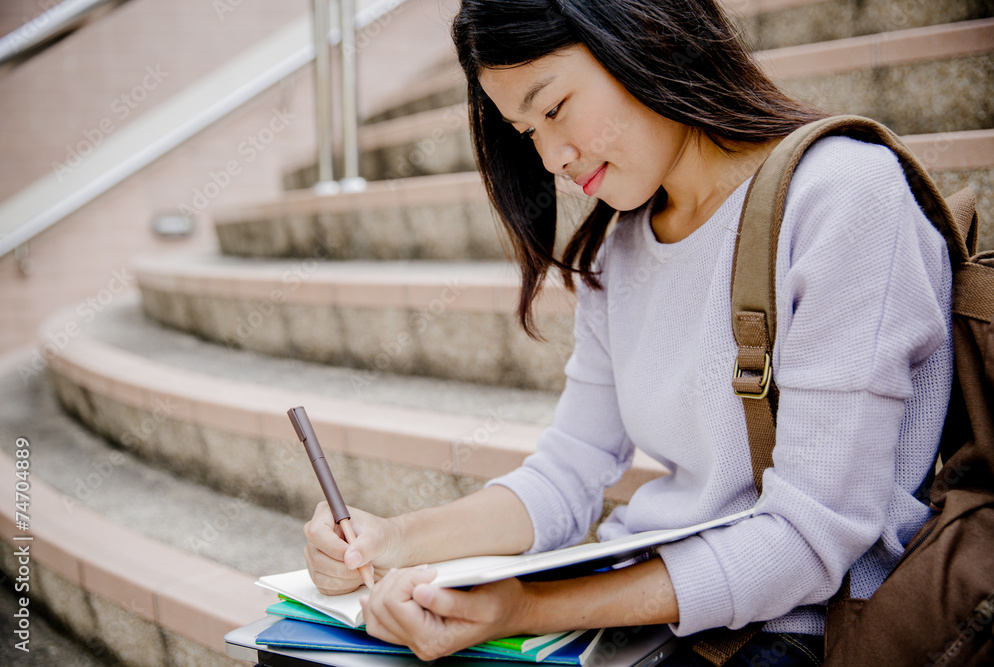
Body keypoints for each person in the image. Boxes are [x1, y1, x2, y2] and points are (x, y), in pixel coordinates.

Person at [302, 1, 953, 664]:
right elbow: (569, 470)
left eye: (554, 108)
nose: (553, 157)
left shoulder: (844, 196)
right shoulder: (622, 249)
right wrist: (395, 540)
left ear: (645, 35)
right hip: (650, 628)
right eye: (526, 132)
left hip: (795, 635)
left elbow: (809, 538)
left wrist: (527, 605)